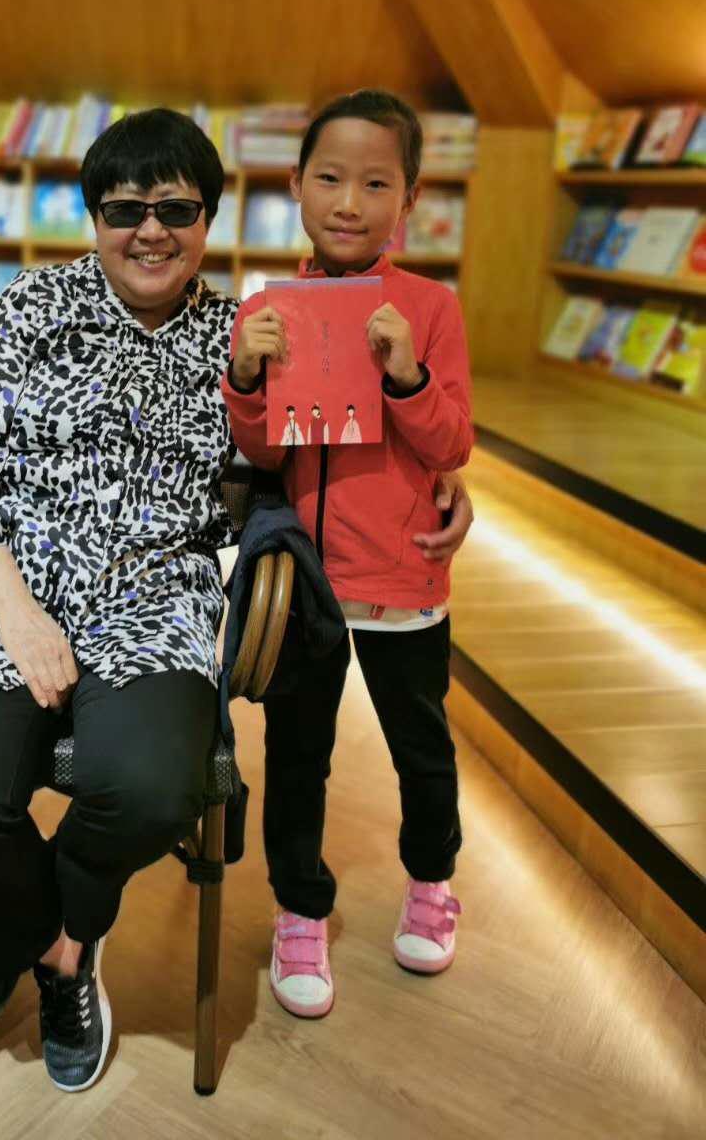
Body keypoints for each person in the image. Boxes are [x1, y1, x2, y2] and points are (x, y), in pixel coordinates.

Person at [0, 107, 474, 1090]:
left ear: (210, 217)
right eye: (125, 208)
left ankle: (60, 945)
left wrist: (448, 481)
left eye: (175, 208)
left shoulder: (245, 332)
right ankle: (24, 930)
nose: (151, 230)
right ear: (93, 216)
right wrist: (17, 612)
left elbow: (309, 446)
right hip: (7, 589)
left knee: (155, 792)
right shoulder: (31, 308)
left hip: (154, 598)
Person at [223, 89, 473, 1021]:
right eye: (329, 178)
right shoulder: (268, 308)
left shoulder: (431, 309)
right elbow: (263, 453)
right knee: (298, 754)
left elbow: (451, 443)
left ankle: (432, 882)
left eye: (376, 184)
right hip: (304, 582)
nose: (349, 202)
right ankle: (299, 910)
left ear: (410, 199)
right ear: (295, 185)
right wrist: (245, 374)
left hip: (405, 577)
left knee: (422, 747)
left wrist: (408, 374)